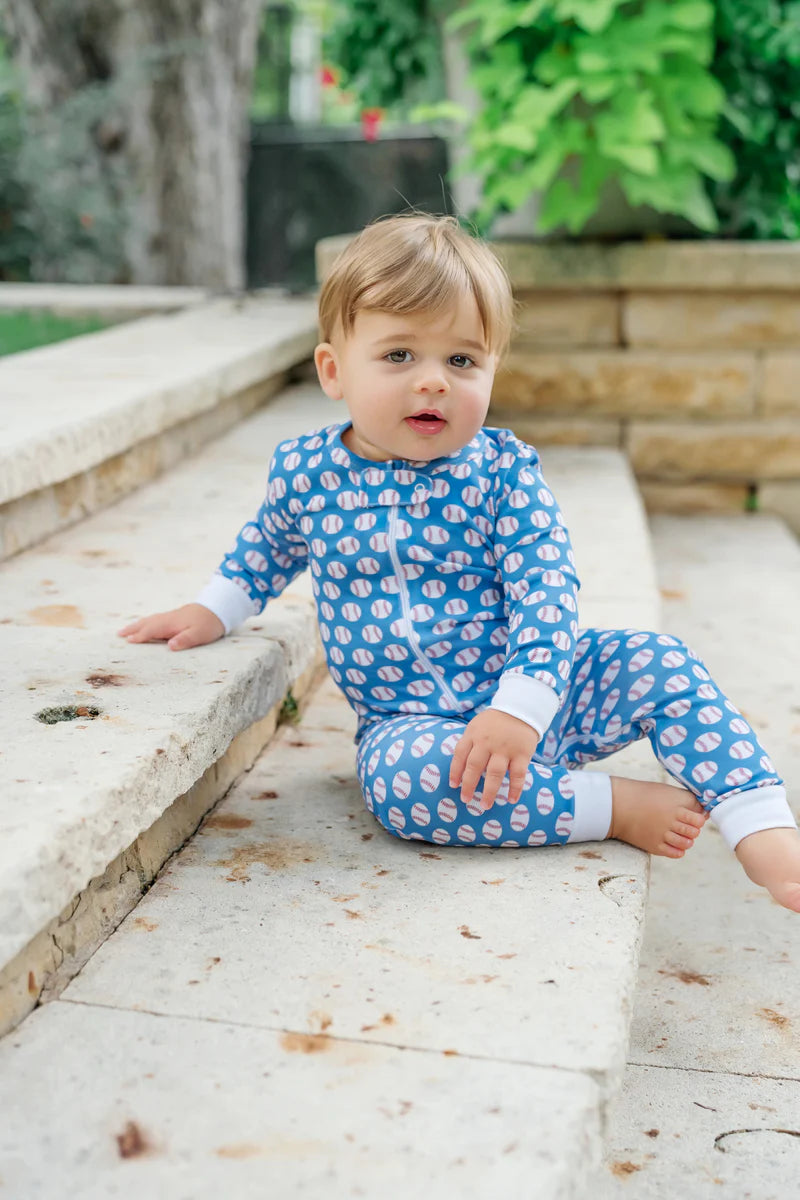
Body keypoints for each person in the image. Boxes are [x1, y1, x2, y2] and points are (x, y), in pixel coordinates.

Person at [119, 213, 800, 913]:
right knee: (400, 788)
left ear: (492, 369)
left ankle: (760, 823)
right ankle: (610, 806)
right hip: (416, 724)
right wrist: (213, 607)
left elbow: (546, 592)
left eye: (462, 360)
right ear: (334, 370)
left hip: (544, 695)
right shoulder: (308, 474)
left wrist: (523, 705)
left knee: (662, 662)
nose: (433, 382)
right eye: (398, 356)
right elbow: (268, 547)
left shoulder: (502, 473)